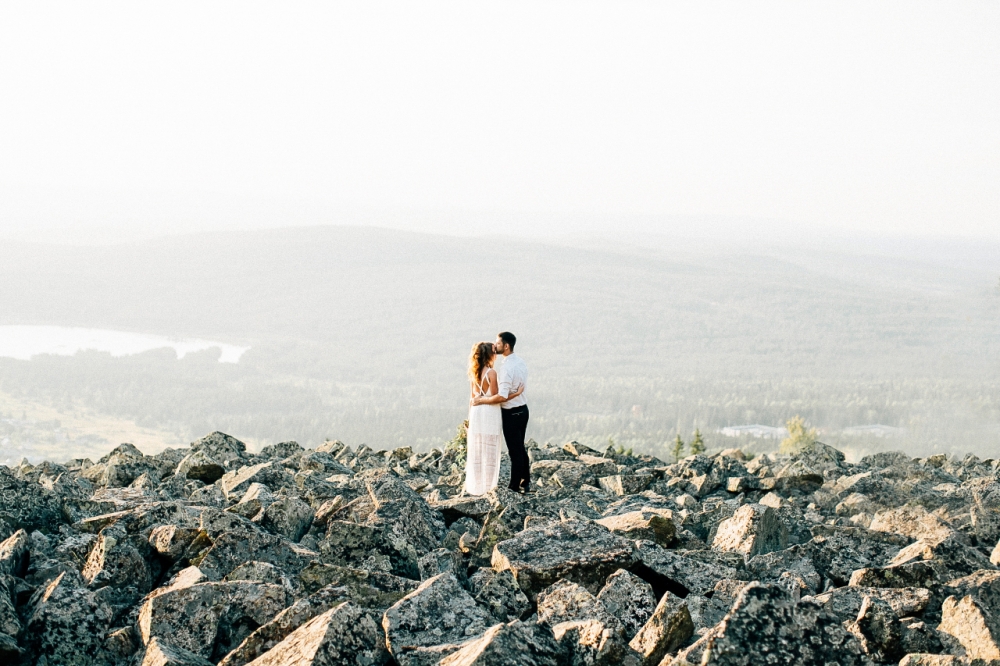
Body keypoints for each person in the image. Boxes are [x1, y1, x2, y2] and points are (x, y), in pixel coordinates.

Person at [471, 331, 529, 492]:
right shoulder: (520, 362)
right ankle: (526, 481)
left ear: (506, 346)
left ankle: (514, 486)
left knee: (514, 450)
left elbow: (501, 396)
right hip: (523, 410)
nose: (494, 346)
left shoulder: (505, 369)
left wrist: (481, 400)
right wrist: (517, 394)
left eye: (497, 343)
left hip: (510, 413)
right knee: (520, 447)